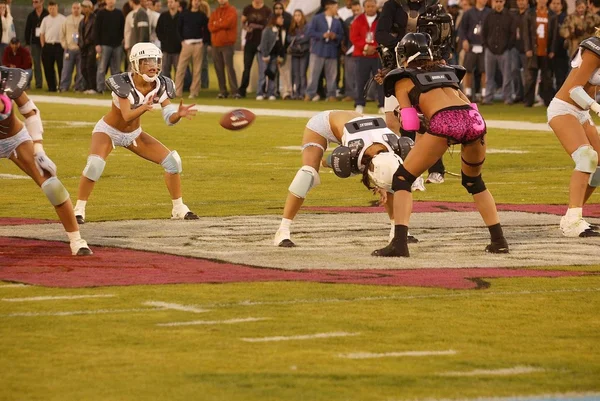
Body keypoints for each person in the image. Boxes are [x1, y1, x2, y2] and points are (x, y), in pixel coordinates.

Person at [372, 32, 509, 257]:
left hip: (445, 121)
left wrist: (412, 118)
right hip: (475, 120)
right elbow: (468, 106)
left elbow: (410, 123)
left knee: (402, 179)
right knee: (474, 182)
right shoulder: (448, 72)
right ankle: (499, 240)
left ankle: (399, 244)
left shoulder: (403, 80)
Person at [73, 43, 199, 224]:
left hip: (134, 135)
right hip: (109, 131)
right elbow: (126, 115)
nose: (152, 65)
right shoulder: (123, 83)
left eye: (155, 60)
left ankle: (178, 208)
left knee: (173, 162)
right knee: (95, 165)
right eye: (146, 61)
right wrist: (144, 107)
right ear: (136, 64)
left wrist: (177, 115)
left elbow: (168, 119)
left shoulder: (160, 84)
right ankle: (79, 209)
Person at [273, 109, 416, 247]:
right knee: (306, 174)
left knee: (394, 182)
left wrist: (384, 185)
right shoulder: (353, 151)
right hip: (323, 125)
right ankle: (283, 230)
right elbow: (331, 161)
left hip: (358, 124)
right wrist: (322, 162)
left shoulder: (399, 146)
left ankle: (397, 230)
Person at [0, 66, 92, 256]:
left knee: (51, 185)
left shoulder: (7, 77)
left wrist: (38, 148)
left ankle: (76, 240)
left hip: (13, 139)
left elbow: (30, 111)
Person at [547, 29, 600, 237]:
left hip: (582, 112)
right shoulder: (595, 50)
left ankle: (572, 216)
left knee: (599, 166)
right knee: (586, 157)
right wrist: (597, 108)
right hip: (564, 108)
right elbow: (574, 90)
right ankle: (573, 221)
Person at [304, 0, 344, 102]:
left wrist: (335, 36)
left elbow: (341, 36)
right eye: (335, 7)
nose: (337, 9)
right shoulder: (317, 18)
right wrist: (322, 35)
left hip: (332, 52)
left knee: (332, 76)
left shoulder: (337, 21)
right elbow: (309, 32)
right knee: (313, 74)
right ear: (329, 7)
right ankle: (309, 94)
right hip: (318, 50)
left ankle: (331, 95)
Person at [350, 0, 384, 114]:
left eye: (372, 6)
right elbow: (354, 37)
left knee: (380, 80)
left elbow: (384, 35)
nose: (370, 8)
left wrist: (375, 47)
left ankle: (382, 105)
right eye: (368, 6)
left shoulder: (382, 19)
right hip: (361, 55)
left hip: (377, 55)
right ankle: (359, 104)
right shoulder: (358, 20)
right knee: (361, 81)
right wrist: (365, 47)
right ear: (364, 7)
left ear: (376, 7)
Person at [175, 0, 209, 98]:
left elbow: (206, 30)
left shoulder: (202, 15)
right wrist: (182, 41)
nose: (196, 2)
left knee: (197, 69)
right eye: (194, 0)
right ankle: (177, 91)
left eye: (198, 1)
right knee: (181, 68)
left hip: (198, 44)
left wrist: (203, 41)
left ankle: (194, 92)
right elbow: (178, 28)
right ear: (191, 2)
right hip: (186, 44)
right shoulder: (184, 14)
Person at [238, 0, 271, 99]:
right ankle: (242, 90)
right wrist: (246, 29)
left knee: (263, 68)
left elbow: (269, 25)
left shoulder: (267, 10)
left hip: (262, 42)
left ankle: (262, 91)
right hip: (250, 41)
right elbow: (243, 23)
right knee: (247, 67)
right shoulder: (248, 9)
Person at [208, 0, 239, 99]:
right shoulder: (215, 12)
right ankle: (223, 91)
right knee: (219, 69)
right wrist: (219, 23)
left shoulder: (232, 10)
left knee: (229, 68)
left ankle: (234, 91)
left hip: (227, 44)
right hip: (216, 44)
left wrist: (217, 23)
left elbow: (228, 23)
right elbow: (210, 26)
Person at [94, 0, 125, 94]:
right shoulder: (100, 13)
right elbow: (96, 29)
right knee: (101, 68)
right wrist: (97, 44)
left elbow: (122, 28)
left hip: (117, 45)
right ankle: (100, 88)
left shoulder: (119, 13)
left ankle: (115, 90)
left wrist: (122, 40)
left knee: (116, 69)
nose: (111, 1)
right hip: (104, 45)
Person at [39, 0, 66, 92]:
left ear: (57, 8)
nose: (51, 10)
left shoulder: (63, 19)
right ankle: (52, 87)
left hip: (59, 45)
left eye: (53, 8)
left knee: (61, 67)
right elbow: (42, 33)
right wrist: (43, 45)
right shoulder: (45, 19)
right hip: (48, 45)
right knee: (48, 67)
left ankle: (61, 86)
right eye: (50, 8)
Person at [259, 13, 287, 100]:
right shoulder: (268, 30)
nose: (282, 20)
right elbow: (263, 43)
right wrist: (265, 55)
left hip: (275, 55)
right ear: (275, 19)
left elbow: (281, 45)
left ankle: (271, 93)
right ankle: (260, 93)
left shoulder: (282, 30)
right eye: (280, 18)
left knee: (272, 75)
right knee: (263, 74)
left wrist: (280, 56)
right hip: (265, 55)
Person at [59, 1, 84, 92]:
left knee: (80, 70)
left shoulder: (83, 19)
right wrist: (64, 45)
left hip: (80, 49)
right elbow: (62, 33)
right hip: (69, 48)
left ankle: (78, 87)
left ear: (81, 9)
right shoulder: (67, 19)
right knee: (66, 70)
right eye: (74, 8)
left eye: (78, 8)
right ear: (71, 9)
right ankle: (63, 87)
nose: (76, 10)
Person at [24, 0, 49, 89]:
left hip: (46, 42)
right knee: (36, 63)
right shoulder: (31, 15)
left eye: (36, 1)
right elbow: (27, 30)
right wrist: (27, 43)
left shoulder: (47, 14)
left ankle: (50, 83)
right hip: (35, 43)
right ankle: (39, 84)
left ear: (42, 2)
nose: (34, 3)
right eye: (33, 2)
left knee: (47, 63)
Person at [287, 9, 310, 99]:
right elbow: (288, 38)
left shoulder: (307, 26)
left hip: (304, 52)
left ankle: (303, 92)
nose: (297, 17)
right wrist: (299, 38)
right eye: (295, 15)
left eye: (299, 15)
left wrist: (295, 39)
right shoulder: (292, 27)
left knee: (302, 73)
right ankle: (296, 93)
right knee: (295, 73)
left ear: (302, 16)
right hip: (295, 53)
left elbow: (306, 38)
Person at [156, 0, 181, 80]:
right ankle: (167, 86)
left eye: (172, 2)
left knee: (179, 70)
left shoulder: (181, 16)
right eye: (168, 2)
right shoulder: (163, 16)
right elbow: (158, 30)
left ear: (177, 3)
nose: (170, 4)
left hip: (178, 49)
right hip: (166, 49)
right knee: (165, 70)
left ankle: (178, 87)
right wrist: (163, 40)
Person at [78, 0, 96, 94]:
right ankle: (88, 86)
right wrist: (80, 44)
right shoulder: (82, 21)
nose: (83, 8)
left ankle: (92, 87)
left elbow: (93, 35)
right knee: (83, 68)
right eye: (83, 6)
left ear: (90, 8)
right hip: (83, 48)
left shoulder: (94, 19)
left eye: (85, 7)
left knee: (90, 67)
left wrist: (86, 43)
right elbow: (80, 34)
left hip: (91, 47)